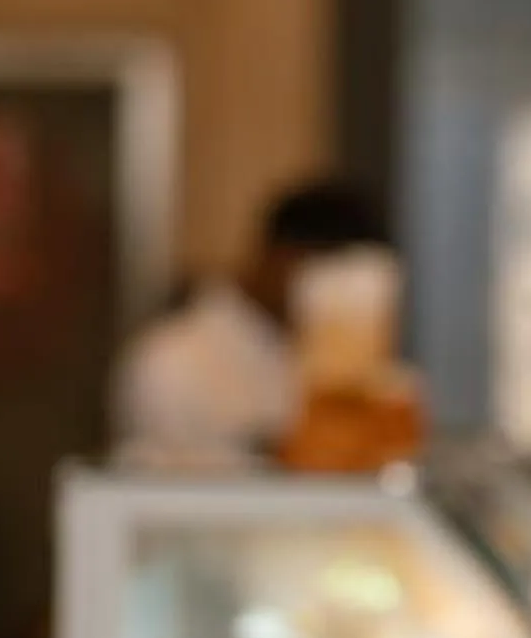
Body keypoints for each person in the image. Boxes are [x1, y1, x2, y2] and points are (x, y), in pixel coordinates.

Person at [111, 177, 388, 466]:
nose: (342, 301)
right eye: (338, 282)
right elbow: (162, 492)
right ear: (283, 257)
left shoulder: (334, 366)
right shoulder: (169, 361)